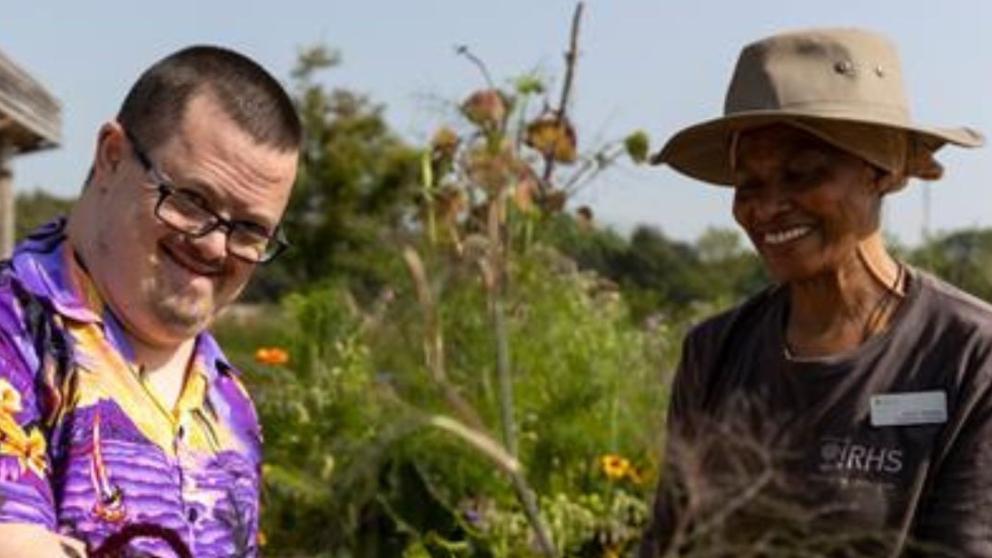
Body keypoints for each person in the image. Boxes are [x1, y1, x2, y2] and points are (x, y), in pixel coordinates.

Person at [639, 28, 990, 557]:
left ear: (882, 170)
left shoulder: (969, 355)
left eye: (801, 174)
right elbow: (672, 543)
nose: (767, 207)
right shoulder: (714, 351)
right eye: (749, 184)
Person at [0, 46, 300, 556]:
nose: (214, 245)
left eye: (249, 230)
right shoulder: (18, 335)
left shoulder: (230, 402)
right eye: (192, 201)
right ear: (112, 156)